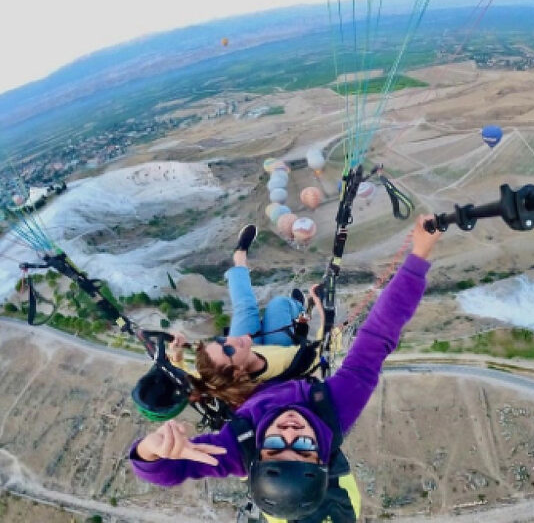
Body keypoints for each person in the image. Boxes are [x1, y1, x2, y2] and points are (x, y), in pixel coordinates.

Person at [129, 215, 441, 521]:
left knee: (247, 311)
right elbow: (378, 338)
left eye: (276, 446)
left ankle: (245, 265)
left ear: (258, 457)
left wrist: (150, 451)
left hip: (254, 373)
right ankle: (289, 303)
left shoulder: (239, 448)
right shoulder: (334, 410)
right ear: (322, 456)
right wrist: (419, 257)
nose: (289, 431)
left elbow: (168, 470)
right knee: (278, 308)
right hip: (281, 363)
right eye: (304, 447)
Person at [168, 224, 326, 409]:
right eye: (228, 351)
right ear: (237, 373)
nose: (229, 340)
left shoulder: (216, 372)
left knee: (245, 308)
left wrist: (176, 354)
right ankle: (302, 311)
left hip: (249, 352)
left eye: (220, 340)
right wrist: (324, 311)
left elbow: (192, 383)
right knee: (279, 304)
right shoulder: (287, 365)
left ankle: (239, 257)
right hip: (279, 349)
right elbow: (323, 350)